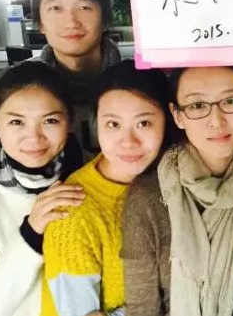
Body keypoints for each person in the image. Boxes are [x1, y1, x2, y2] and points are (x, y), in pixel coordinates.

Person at [121, 66, 233, 316]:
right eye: (197, 106)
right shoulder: (148, 197)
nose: (216, 121)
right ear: (177, 115)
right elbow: (142, 309)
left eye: (231, 101)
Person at [41, 60, 173, 316]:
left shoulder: (172, 181)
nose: (128, 141)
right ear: (96, 124)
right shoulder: (73, 212)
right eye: (113, 124)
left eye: (144, 123)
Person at [0, 62, 84, 316]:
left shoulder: (94, 172)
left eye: (50, 121)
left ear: (70, 121)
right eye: (16, 122)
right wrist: (30, 234)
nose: (34, 137)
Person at [31, 0, 122, 153]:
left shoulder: (139, 82)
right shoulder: (21, 87)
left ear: (105, 20)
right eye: (56, 8)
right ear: (40, 24)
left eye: (84, 7)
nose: (71, 22)